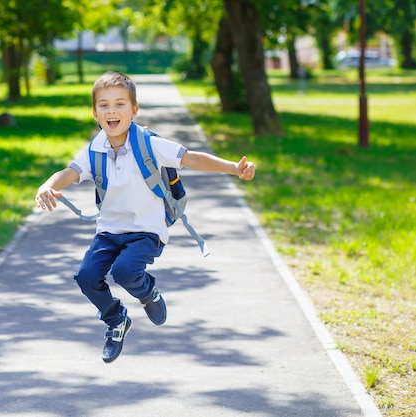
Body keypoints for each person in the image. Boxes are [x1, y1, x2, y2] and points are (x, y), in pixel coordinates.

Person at [35, 71, 255, 363]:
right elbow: (69, 173)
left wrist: (233, 168)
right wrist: (47, 186)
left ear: (134, 110)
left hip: (146, 231)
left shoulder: (149, 144)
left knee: (125, 271)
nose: (112, 110)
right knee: (86, 277)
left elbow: (190, 157)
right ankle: (116, 320)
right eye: (104, 105)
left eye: (120, 104)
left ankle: (148, 294)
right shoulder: (95, 150)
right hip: (109, 231)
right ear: (95, 114)